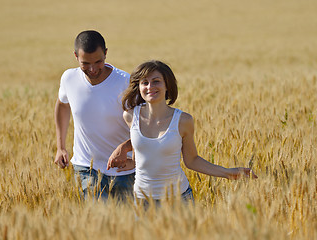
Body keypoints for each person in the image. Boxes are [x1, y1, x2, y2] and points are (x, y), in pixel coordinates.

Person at [107, 60, 257, 203]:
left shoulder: (183, 121)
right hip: (142, 200)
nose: (150, 86)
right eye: (144, 82)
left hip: (178, 199)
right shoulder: (130, 116)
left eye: (156, 81)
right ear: (138, 87)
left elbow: (191, 160)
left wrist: (228, 173)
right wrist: (129, 157)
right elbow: (141, 150)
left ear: (167, 86)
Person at [54, 30, 135, 200]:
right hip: (85, 168)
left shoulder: (124, 82)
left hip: (123, 171)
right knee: (98, 222)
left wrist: (133, 157)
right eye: (85, 63)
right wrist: (60, 147)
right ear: (76, 56)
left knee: (127, 225)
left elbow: (141, 125)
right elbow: (62, 105)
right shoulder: (68, 78)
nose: (92, 69)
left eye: (98, 61)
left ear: (106, 53)